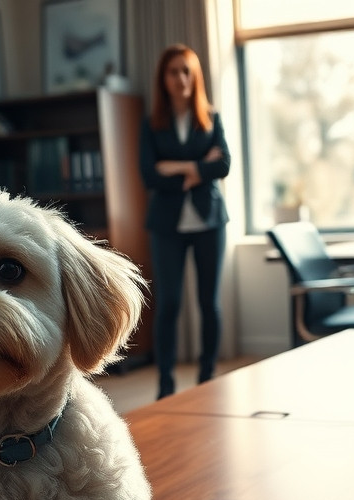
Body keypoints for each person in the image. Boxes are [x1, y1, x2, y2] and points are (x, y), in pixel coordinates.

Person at [139, 44, 230, 399]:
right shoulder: (151, 125)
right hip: (166, 225)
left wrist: (175, 167)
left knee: (210, 302)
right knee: (171, 302)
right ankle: (165, 384)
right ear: (163, 79)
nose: (180, 78)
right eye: (173, 71)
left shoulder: (211, 118)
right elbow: (149, 175)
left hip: (209, 221)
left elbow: (223, 165)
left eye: (186, 71)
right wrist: (196, 167)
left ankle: (207, 377)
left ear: (195, 77)